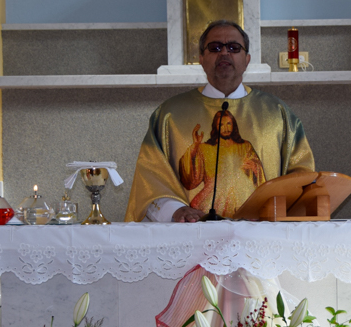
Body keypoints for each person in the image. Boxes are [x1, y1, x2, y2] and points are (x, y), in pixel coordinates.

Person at [124, 20, 314, 222]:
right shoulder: (170, 115)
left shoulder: (277, 113)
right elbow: (151, 178)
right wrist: (176, 210)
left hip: (259, 232)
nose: (224, 53)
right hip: (192, 232)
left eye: (234, 47)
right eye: (215, 47)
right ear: (201, 58)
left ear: (247, 59)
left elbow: (301, 175)